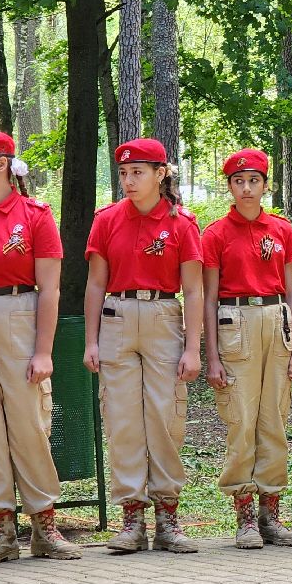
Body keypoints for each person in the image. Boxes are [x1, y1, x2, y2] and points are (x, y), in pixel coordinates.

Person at [0, 132, 81, 565]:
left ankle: (45, 525)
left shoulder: (35, 214)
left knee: (27, 423)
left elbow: (50, 289)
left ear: (3, 164)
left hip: (19, 311)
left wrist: (43, 351)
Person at [83, 138, 203, 554]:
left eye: (138, 173)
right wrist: (91, 340)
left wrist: (192, 347)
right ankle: (131, 517)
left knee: (165, 416)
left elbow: (193, 288)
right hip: (117, 317)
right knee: (123, 420)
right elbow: (96, 283)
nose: (129, 181)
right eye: (123, 173)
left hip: (163, 317)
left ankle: (168, 516)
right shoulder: (107, 220)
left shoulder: (182, 223)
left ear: (160, 174)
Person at [201, 149, 292, 549]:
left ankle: (271, 513)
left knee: (274, 420)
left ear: (266, 184)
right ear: (229, 186)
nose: (246, 189)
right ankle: (244, 515)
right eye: (238, 182)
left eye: (254, 181)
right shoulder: (215, 234)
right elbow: (208, 298)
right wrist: (211, 355)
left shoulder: (281, 230)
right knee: (241, 420)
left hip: (276, 323)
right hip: (235, 323)